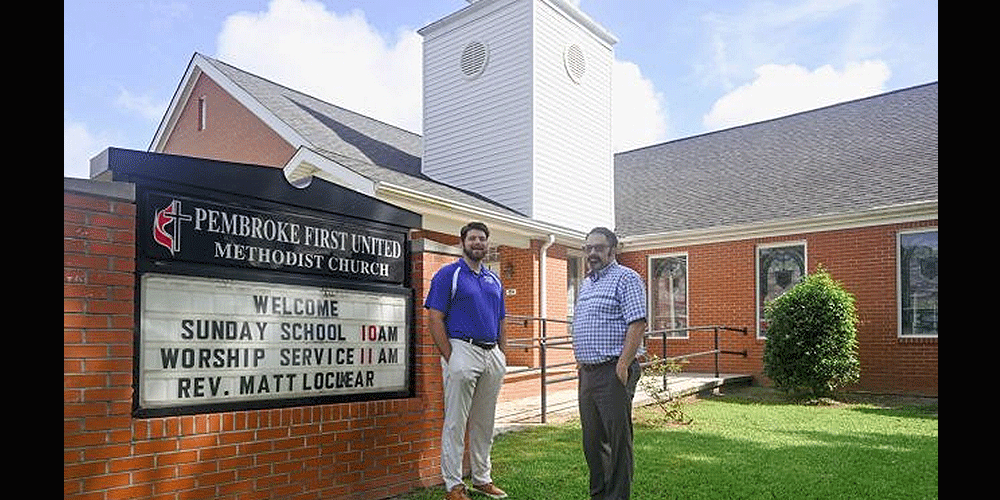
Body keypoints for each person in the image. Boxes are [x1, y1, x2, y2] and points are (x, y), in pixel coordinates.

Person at [424, 222, 509, 500]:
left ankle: (482, 478)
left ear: (487, 244)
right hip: (462, 349)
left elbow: (501, 320)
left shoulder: (493, 279)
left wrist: (502, 354)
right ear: (463, 242)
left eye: (482, 239)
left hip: (491, 353)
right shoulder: (449, 274)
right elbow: (434, 317)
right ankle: (454, 485)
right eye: (472, 238)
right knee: (456, 422)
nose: (478, 243)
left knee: (485, 421)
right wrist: (451, 357)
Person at [572, 227, 647, 500]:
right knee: (592, 442)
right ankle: (599, 495)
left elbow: (637, 322)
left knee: (618, 442)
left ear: (612, 251)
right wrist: (580, 360)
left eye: (599, 247)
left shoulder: (626, 278)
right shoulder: (587, 284)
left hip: (613, 370)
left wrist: (623, 364)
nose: (592, 253)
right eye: (589, 248)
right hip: (588, 373)